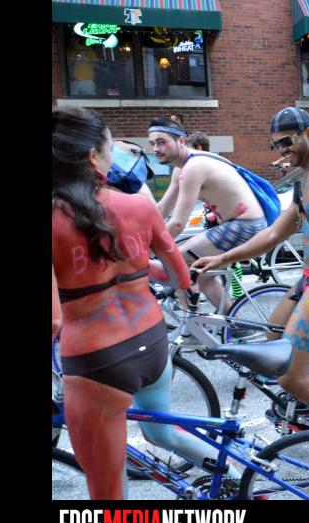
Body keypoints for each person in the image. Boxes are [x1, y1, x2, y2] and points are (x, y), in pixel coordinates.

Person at [52, 107, 237, 500]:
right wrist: (136, 267)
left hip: (97, 362)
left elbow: (53, 320)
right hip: (152, 343)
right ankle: (239, 482)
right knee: (162, 433)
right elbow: (180, 277)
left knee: (107, 488)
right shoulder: (138, 206)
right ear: (93, 157)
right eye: (111, 150)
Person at [192, 107, 309, 478]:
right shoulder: (303, 180)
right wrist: (223, 257)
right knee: (271, 347)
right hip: (308, 278)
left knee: (291, 375)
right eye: (276, 144)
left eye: (287, 141)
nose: (282, 149)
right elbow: (274, 234)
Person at [150, 117, 267, 308]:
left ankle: (190, 324)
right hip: (233, 226)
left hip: (245, 226)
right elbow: (162, 209)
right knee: (203, 278)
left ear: (181, 141)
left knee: (176, 262)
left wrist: (148, 248)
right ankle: (232, 321)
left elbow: (177, 224)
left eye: (162, 142)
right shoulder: (180, 169)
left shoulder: (194, 167)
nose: (155, 148)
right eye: (153, 143)